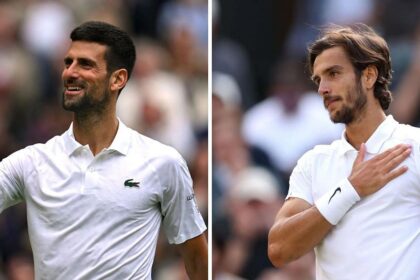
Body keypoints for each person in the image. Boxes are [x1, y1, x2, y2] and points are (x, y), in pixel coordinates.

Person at [0, 21, 207, 279]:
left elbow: (198, 259)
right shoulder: (30, 163)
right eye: (68, 63)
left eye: (85, 64)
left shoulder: (163, 162)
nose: (70, 73)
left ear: (117, 79)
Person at [268, 23, 420, 279]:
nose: (322, 89)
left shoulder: (414, 146)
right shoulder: (313, 162)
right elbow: (279, 249)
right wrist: (350, 190)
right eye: (318, 79)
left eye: (333, 73)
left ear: (369, 76)